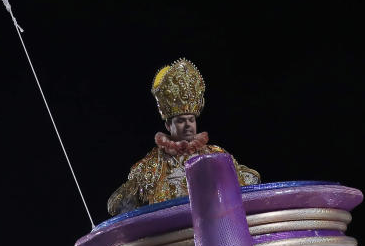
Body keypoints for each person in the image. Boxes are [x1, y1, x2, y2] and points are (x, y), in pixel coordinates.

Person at [107, 58, 260, 216]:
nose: (187, 125)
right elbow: (117, 205)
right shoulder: (150, 166)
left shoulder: (216, 155)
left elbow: (250, 182)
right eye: (181, 121)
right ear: (168, 126)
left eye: (191, 120)